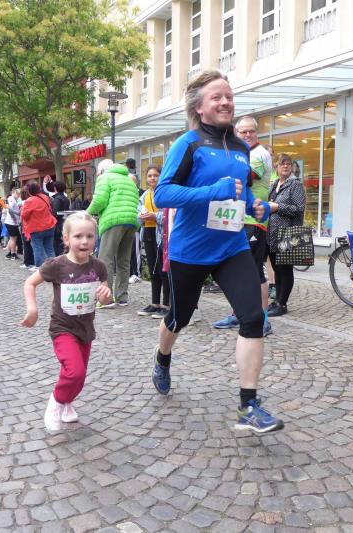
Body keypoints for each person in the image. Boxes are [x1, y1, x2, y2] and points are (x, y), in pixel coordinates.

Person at [151, 70, 281, 434]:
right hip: (190, 252)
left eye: (229, 96)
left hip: (231, 247)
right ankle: (163, 357)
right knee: (180, 317)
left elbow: (240, 190)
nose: (226, 102)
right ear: (199, 107)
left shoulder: (241, 147)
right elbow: (163, 194)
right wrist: (212, 191)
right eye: (217, 97)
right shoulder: (188, 144)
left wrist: (254, 205)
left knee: (253, 317)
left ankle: (249, 405)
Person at [20, 211, 111, 431]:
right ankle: (56, 403)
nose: (84, 241)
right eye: (78, 236)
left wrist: (105, 295)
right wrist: (32, 309)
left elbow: (104, 295)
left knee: (78, 377)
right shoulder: (57, 265)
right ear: (66, 239)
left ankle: (68, 403)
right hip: (62, 328)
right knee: (74, 371)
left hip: (85, 329)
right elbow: (30, 283)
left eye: (90, 236)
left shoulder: (98, 267)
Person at [213, 115, 274, 335]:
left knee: (255, 271)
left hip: (254, 220)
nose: (247, 135)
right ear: (236, 133)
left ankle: (263, 319)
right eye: (243, 132)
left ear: (257, 132)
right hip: (237, 219)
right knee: (237, 270)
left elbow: (244, 176)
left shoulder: (259, 153)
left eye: (251, 131)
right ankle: (238, 314)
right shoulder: (241, 153)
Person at [86, 159, 140, 307]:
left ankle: (106, 298)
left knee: (105, 259)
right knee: (123, 261)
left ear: (102, 171)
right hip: (131, 221)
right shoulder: (128, 179)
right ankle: (122, 297)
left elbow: (99, 201)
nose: (98, 176)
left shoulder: (105, 177)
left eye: (98, 173)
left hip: (113, 220)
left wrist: (87, 213)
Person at [266, 153, 307, 317]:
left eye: (288, 164)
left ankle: (282, 303)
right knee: (277, 269)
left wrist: (278, 207)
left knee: (285, 270)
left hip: (288, 234)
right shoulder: (274, 184)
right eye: (282, 163)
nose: (285, 166)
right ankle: (277, 301)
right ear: (276, 166)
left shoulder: (295, 184)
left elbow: (299, 209)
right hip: (273, 235)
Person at [137, 165, 170, 319]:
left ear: (161, 176)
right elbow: (138, 211)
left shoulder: (165, 193)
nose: (152, 178)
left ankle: (166, 304)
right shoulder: (145, 195)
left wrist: (154, 216)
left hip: (162, 235)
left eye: (155, 175)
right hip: (148, 232)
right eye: (149, 176)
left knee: (164, 270)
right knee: (153, 270)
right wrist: (141, 216)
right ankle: (155, 303)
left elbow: (168, 215)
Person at [21, 181, 57, 269]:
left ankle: (39, 268)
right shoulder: (45, 197)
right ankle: (53, 267)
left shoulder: (29, 201)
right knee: (50, 248)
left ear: (29, 190)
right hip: (49, 226)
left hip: (36, 228)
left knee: (37, 248)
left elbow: (24, 215)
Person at [45, 179, 71, 256]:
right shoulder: (66, 198)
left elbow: (55, 213)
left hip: (57, 225)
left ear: (55, 188)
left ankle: (59, 260)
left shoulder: (57, 199)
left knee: (57, 245)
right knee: (63, 244)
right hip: (64, 222)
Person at [2, 190, 21, 260]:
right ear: (14, 193)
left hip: (10, 222)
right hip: (11, 222)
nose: (18, 195)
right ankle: (13, 254)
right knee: (13, 239)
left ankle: (9, 253)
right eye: (18, 194)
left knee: (11, 238)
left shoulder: (12, 199)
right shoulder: (11, 199)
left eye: (19, 194)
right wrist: (15, 218)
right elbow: (10, 210)